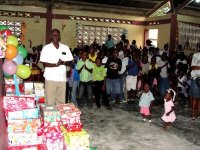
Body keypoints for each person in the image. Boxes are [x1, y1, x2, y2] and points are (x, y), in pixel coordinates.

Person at [39, 29, 73, 106]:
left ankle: (60, 117)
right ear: (50, 36)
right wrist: (56, 64)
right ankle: (50, 117)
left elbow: (70, 61)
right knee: (50, 101)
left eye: (57, 34)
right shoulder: (46, 48)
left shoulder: (65, 48)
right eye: (53, 34)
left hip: (62, 79)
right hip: (50, 79)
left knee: (61, 102)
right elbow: (44, 64)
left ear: (59, 37)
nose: (55, 36)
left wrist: (63, 62)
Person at [189, 50, 200, 119]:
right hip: (196, 78)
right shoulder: (196, 55)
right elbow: (193, 67)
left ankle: (198, 113)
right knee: (195, 98)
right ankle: (193, 113)